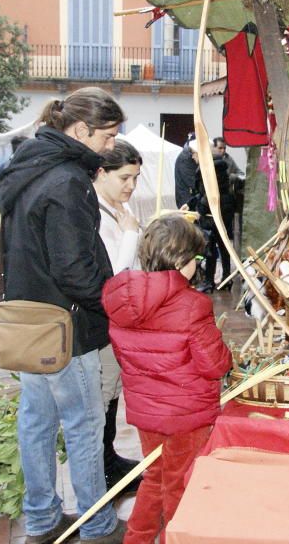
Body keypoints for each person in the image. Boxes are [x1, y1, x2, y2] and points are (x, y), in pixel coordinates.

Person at [0, 87, 127, 544]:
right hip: (67, 326)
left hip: (28, 318)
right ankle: (96, 524)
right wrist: (112, 301)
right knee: (84, 425)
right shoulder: (69, 179)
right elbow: (74, 268)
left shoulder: (27, 166)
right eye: (108, 136)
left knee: (36, 423)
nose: (112, 145)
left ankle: (41, 521)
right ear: (80, 130)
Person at [102, 213, 232, 544]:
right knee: (180, 483)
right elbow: (214, 365)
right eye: (198, 258)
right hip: (187, 416)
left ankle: (137, 537)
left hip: (147, 414)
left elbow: (128, 357)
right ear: (184, 259)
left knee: (155, 476)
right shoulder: (193, 304)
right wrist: (226, 350)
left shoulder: (123, 302)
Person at [93, 139, 144, 492]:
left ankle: (109, 458)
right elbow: (115, 275)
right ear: (101, 173)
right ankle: (100, 469)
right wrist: (131, 235)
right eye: (124, 177)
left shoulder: (115, 210)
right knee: (101, 395)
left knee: (111, 393)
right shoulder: (95, 213)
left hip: (117, 324)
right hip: (101, 321)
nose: (131, 186)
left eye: (135, 179)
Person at [192, 144, 235, 292]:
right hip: (225, 211)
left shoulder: (209, 168)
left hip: (212, 213)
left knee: (209, 248)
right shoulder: (222, 166)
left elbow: (209, 193)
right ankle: (227, 278)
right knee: (224, 247)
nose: (193, 157)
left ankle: (209, 282)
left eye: (195, 154)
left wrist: (200, 209)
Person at [174, 138, 198, 210]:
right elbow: (192, 182)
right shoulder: (186, 158)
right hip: (187, 198)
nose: (193, 157)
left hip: (189, 198)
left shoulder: (187, 156)